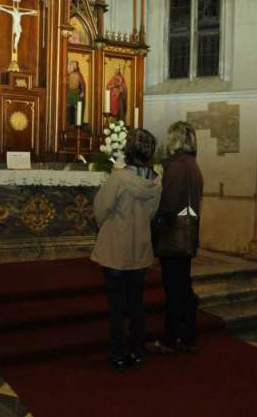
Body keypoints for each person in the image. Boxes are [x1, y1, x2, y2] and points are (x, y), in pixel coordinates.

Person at [91, 129, 162, 372]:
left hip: (116, 248)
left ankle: (117, 353)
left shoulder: (119, 178)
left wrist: (108, 226)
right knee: (136, 303)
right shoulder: (156, 181)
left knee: (116, 306)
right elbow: (152, 214)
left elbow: (101, 209)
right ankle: (136, 350)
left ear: (129, 150)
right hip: (139, 247)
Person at [149, 121, 204, 354]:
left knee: (174, 289)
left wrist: (154, 230)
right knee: (183, 287)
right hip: (187, 233)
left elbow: (169, 205)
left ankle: (171, 338)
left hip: (173, 234)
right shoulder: (192, 164)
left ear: (176, 139)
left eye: (170, 137)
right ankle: (188, 335)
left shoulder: (177, 166)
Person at [66, 60, 86, 126]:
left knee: (77, 108)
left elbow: (82, 84)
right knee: (69, 108)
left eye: (75, 65)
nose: (74, 66)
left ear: (77, 66)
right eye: (73, 65)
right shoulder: (68, 74)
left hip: (76, 92)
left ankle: (76, 123)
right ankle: (70, 122)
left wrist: (82, 92)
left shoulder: (79, 74)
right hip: (70, 92)